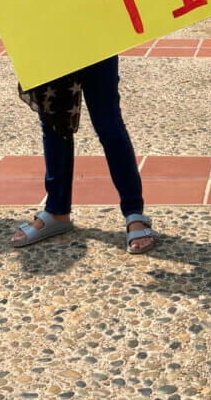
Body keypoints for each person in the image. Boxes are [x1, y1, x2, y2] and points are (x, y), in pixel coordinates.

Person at [12, 55, 157, 253]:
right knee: (53, 118)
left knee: (108, 121)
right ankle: (57, 210)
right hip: (46, 33)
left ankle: (134, 212)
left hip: (94, 31)